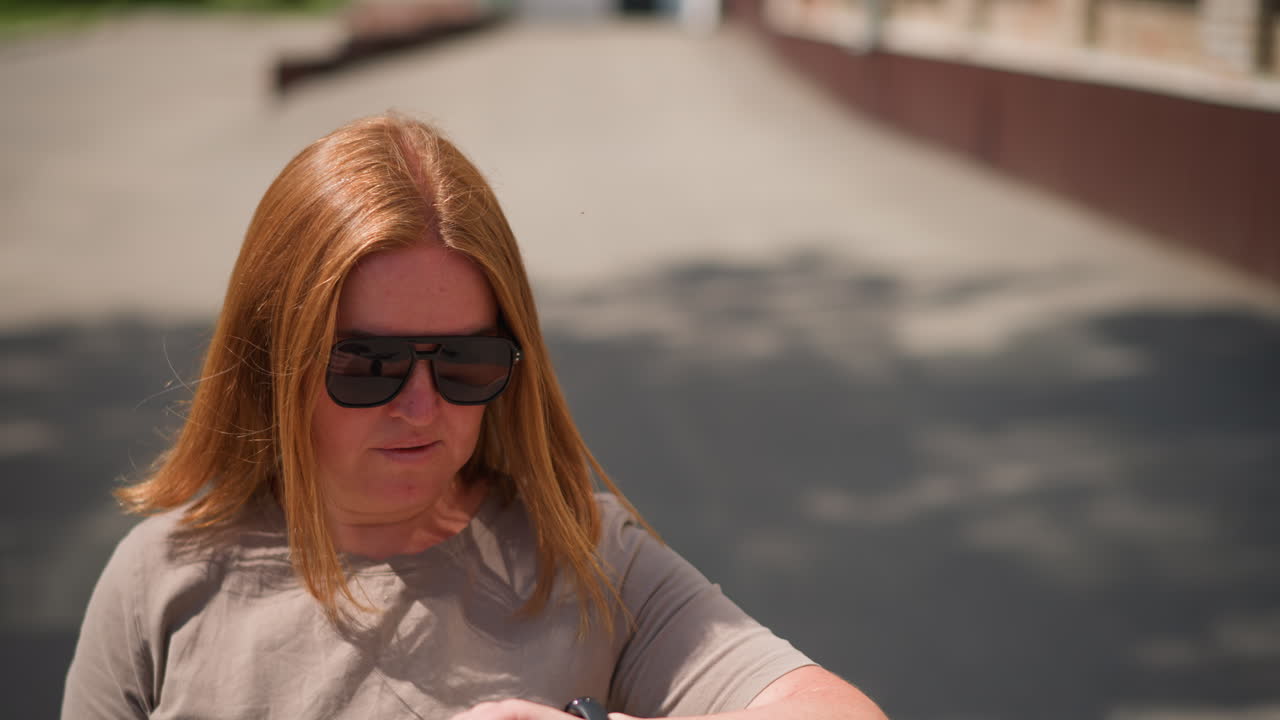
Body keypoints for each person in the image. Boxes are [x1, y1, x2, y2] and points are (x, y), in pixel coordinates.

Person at [62, 112, 889, 720]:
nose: (421, 405)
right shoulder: (161, 583)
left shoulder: (586, 555)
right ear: (271, 359)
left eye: (465, 363)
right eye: (368, 365)